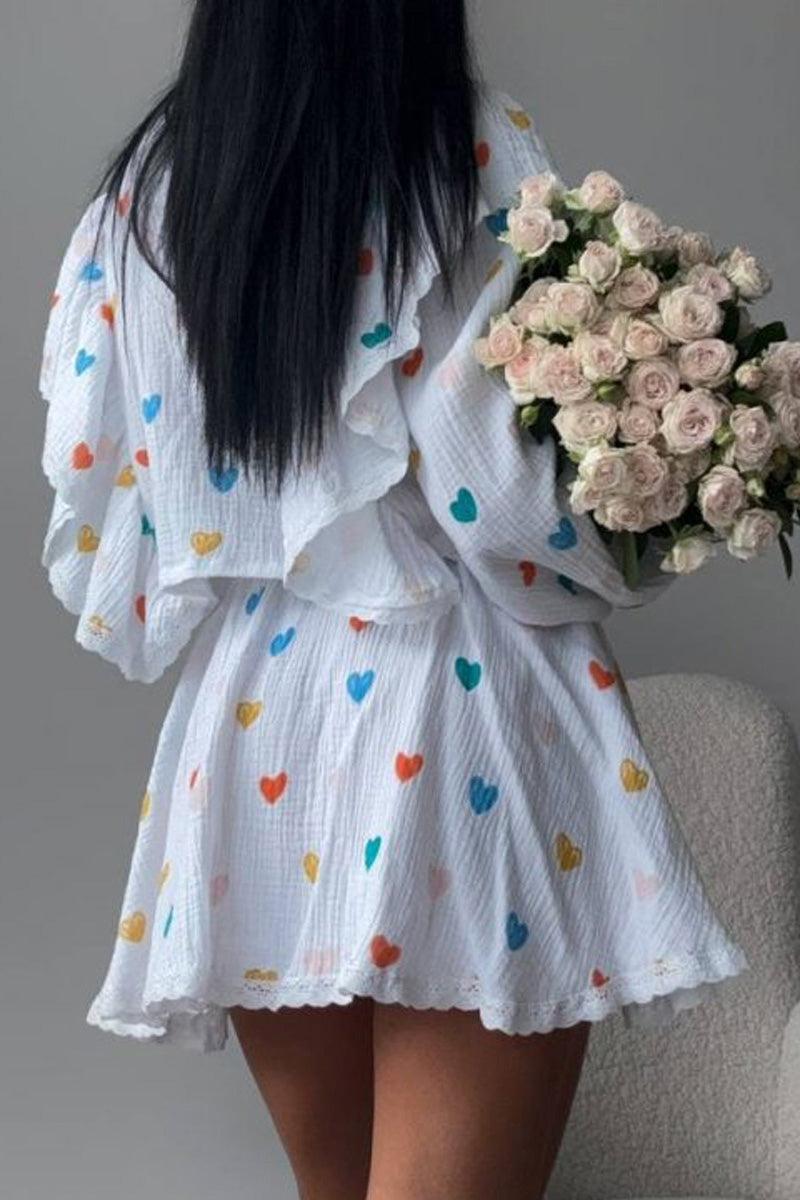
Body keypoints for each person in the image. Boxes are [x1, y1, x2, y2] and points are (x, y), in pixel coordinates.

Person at [36, 2, 749, 1196]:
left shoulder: (144, 199)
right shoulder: (461, 146)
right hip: (458, 705)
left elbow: (110, 516)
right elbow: (493, 497)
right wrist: (633, 514)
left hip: (253, 725)